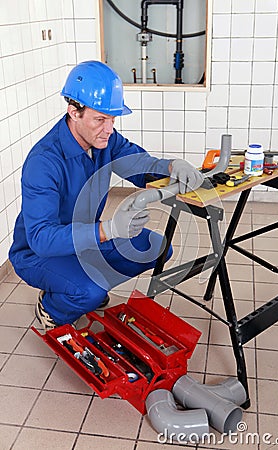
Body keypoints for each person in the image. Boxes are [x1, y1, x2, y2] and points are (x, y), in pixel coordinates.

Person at [9, 60, 204, 330]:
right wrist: (109, 229)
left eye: (112, 119)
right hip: (39, 253)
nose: (109, 129)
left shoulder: (104, 140)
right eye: (100, 119)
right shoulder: (44, 162)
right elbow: (42, 239)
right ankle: (54, 306)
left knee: (156, 248)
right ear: (73, 112)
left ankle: (80, 285)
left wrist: (170, 166)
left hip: (84, 238)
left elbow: (137, 164)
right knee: (91, 291)